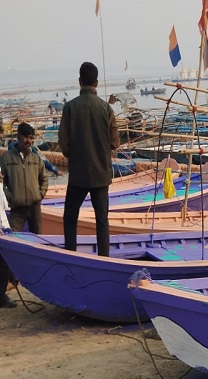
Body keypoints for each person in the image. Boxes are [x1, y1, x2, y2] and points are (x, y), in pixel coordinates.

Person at [58, 62, 120, 257]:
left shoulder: (69, 108)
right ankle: (104, 258)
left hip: (78, 174)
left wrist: (74, 155)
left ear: (80, 81)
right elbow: (114, 142)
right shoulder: (106, 109)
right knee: (102, 220)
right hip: (101, 175)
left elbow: (64, 143)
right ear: (97, 83)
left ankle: (71, 255)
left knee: (70, 217)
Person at [0, 122, 49, 308]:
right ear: (18, 136)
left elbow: (44, 179)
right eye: (25, 137)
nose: (28, 141)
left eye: (31, 138)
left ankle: (40, 285)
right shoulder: (6, 159)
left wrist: (40, 194)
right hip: (17, 211)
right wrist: (10, 198)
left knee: (39, 247)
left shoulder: (36, 159)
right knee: (7, 249)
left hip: (35, 209)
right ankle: (3, 292)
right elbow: (2, 183)